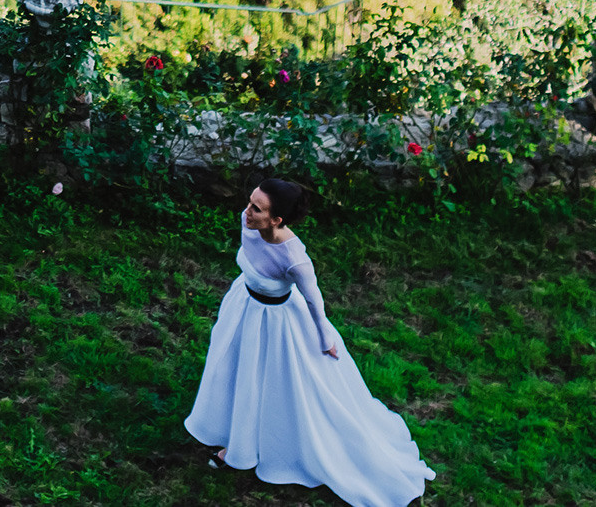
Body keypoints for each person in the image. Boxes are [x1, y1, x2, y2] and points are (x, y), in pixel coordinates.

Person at [184, 177, 434, 505]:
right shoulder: (247, 223)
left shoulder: (294, 258)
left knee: (275, 383)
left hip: (278, 324)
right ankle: (237, 429)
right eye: (249, 202)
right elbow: (249, 253)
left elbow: (314, 299)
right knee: (237, 371)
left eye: (256, 209)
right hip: (244, 308)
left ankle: (248, 447)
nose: (246, 211)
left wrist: (324, 335)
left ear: (277, 220)